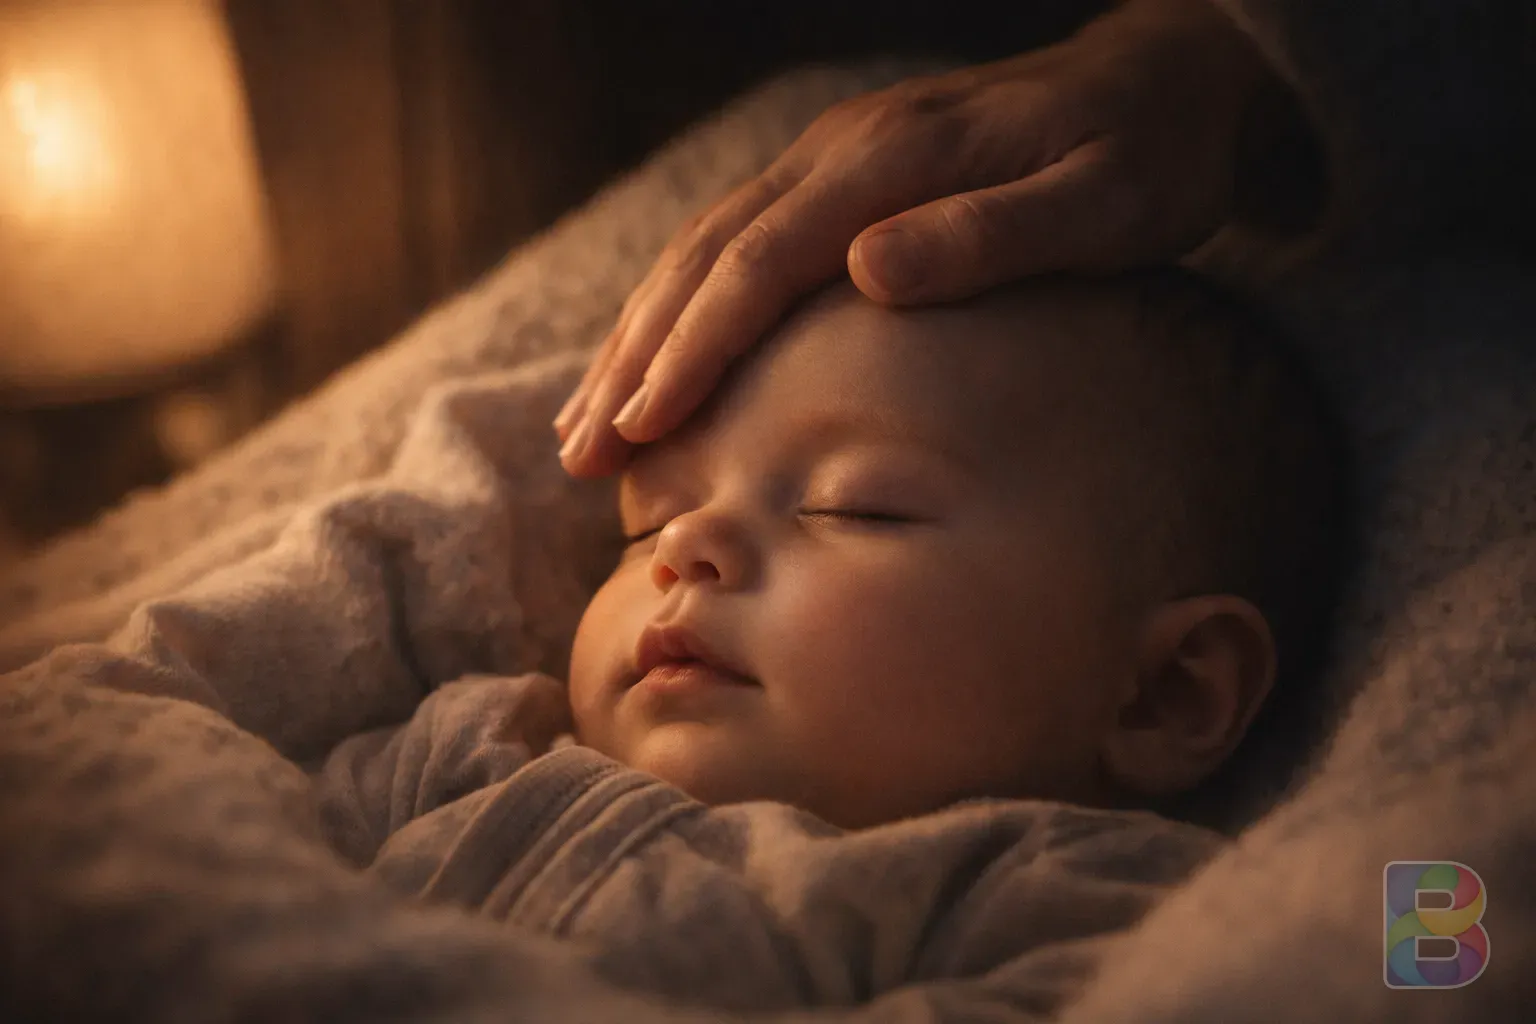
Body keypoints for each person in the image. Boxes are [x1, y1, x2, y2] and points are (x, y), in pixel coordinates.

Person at [317, 266, 1353, 878]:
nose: (682, 549)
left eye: (852, 505)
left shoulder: (1046, 907)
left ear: (1164, 693)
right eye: (647, 525)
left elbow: (1452, 948)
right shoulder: (472, 748)